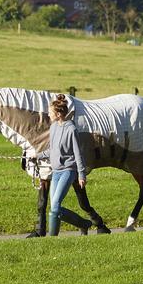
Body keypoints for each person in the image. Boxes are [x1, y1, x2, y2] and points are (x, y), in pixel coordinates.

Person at [46, 92, 93, 237]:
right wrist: (37, 156)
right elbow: (51, 150)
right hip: (56, 171)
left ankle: (52, 238)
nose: (49, 115)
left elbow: (78, 153)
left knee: (55, 207)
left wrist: (81, 174)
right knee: (54, 208)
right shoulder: (53, 127)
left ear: (58, 114)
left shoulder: (71, 130)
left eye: (50, 113)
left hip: (68, 170)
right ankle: (84, 224)